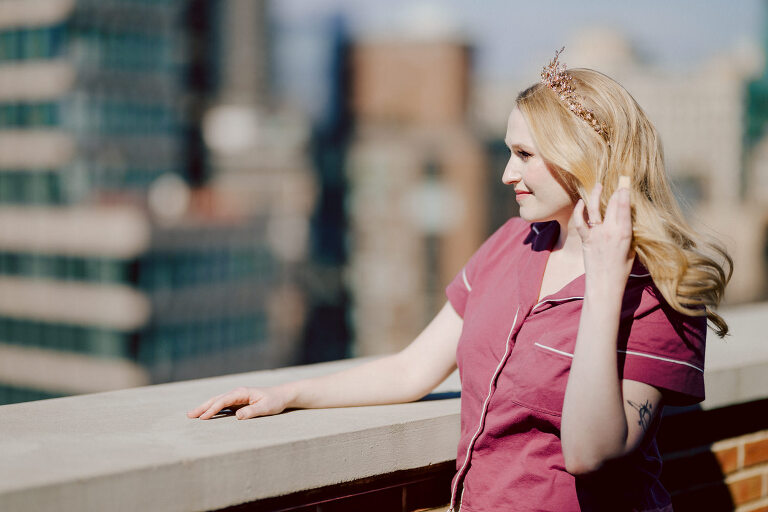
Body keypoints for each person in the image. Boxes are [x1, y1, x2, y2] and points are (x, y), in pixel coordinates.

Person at [187, 48, 732, 511]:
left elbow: (589, 451)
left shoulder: (659, 290)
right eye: (506, 151)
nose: (506, 174)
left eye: (524, 155)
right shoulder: (510, 244)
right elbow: (411, 369)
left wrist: (606, 280)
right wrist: (286, 393)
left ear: (582, 160)